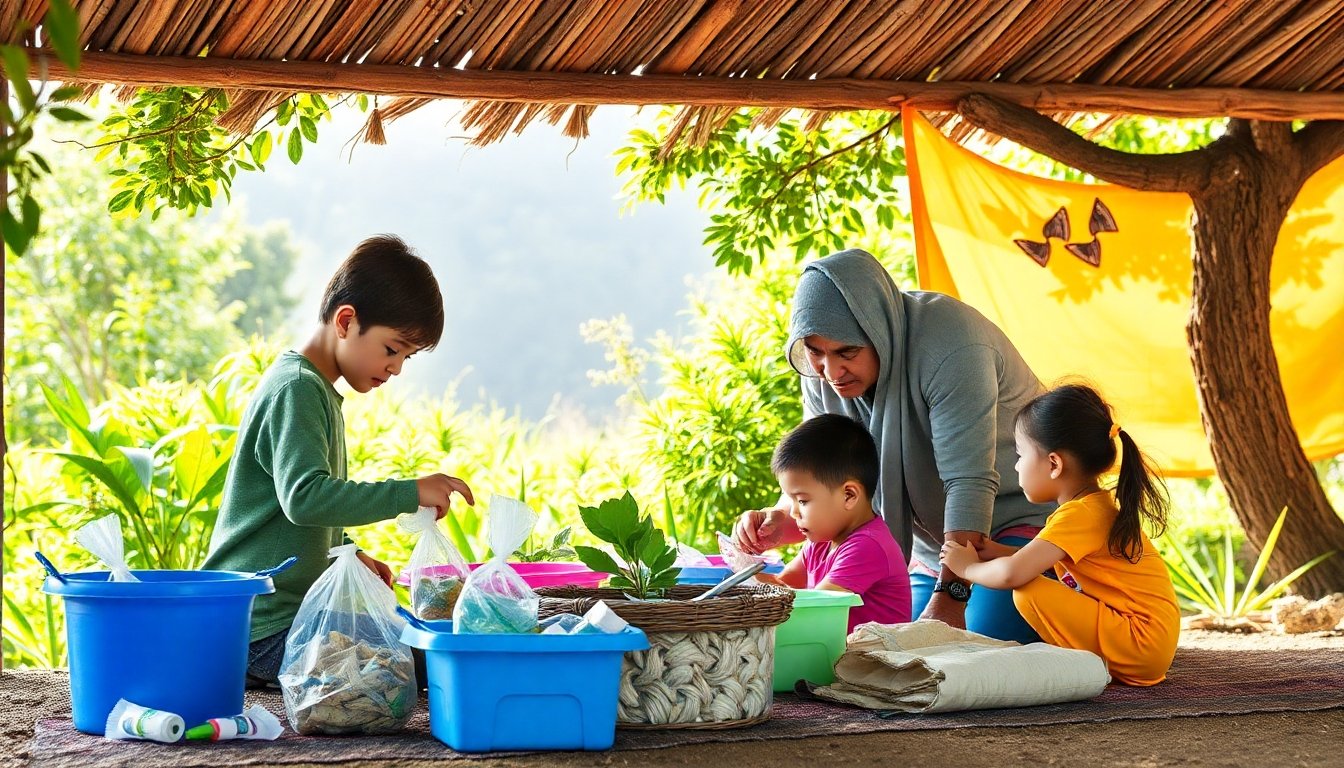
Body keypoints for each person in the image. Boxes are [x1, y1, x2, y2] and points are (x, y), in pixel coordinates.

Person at [734, 248, 1053, 642]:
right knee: (880, 643)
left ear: (879, 328)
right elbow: (823, 476)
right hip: (933, 551)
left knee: (979, 645)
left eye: (847, 352)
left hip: (1017, 533)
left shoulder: (952, 346)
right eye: (816, 353)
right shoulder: (819, 372)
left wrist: (951, 598)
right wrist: (783, 516)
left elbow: (968, 481)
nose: (831, 372)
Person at [203, 234, 474, 687]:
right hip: (260, 627)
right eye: (392, 349)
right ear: (346, 320)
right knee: (418, 660)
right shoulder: (297, 388)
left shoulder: (318, 391)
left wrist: (345, 550)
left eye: (406, 357)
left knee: (422, 643)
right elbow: (304, 498)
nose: (396, 369)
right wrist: (409, 492)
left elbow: (298, 513)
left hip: (282, 620)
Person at [939, 384, 1179, 684]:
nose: (1015, 466)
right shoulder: (1093, 508)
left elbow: (1013, 574)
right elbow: (1043, 561)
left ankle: (1087, 666)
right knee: (1033, 580)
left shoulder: (1079, 515)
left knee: (1028, 590)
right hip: (1149, 645)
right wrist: (997, 550)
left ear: (1054, 464)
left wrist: (966, 568)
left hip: (1139, 641)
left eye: (1020, 454)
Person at [755, 414, 912, 630]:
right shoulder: (820, 541)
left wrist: (764, 585)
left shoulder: (867, 546)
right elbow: (785, 583)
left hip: (874, 659)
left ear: (849, 495)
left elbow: (816, 609)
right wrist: (751, 577)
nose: (793, 513)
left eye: (802, 500)